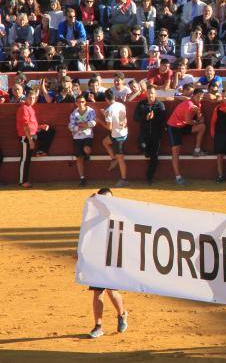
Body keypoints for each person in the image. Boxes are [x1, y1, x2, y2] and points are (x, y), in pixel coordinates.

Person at [87, 188, 129, 339]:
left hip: (112, 258)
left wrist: (96, 201)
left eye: (109, 199)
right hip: (98, 258)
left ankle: (122, 314)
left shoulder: (117, 214)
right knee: (98, 292)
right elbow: (87, 234)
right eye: (104, 198)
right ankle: (98, 326)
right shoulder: (93, 214)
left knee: (112, 292)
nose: (107, 201)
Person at [166, 88, 207, 185]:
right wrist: (197, 121)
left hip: (183, 126)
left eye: (201, 97)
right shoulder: (189, 104)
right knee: (176, 152)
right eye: (198, 97)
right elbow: (189, 121)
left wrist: (198, 114)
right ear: (193, 96)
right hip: (174, 127)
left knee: (202, 127)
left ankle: (197, 150)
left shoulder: (198, 104)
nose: (199, 99)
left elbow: (200, 120)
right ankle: (178, 177)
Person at [16, 89, 56, 187]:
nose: (32, 100)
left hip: (32, 134)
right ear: (26, 97)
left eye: (34, 98)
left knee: (50, 130)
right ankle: (22, 181)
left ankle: (41, 150)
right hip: (26, 136)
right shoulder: (24, 108)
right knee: (25, 159)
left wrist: (41, 127)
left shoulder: (30, 108)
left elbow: (31, 125)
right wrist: (30, 140)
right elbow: (25, 126)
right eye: (30, 98)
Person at [133, 86, 167, 185]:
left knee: (154, 157)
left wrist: (153, 117)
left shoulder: (160, 105)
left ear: (155, 94)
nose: (151, 95)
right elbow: (135, 117)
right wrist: (146, 118)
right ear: (146, 94)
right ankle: (146, 151)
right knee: (142, 147)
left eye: (152, 93)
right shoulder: (141, 104)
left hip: (156, 134)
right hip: (144, 133)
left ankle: (149, 177)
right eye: (149, 93)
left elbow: (163, 118)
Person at [97, 89, 129, 187]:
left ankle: (123, 179)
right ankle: (113, 158)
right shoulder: (121, 105)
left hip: (117, 136)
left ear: (106, 99)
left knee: (120, 158)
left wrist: (100, 120)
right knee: (105, 142)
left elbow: (109, 127)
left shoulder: (109, 110)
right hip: (123, 133)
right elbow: (124, 118)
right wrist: (105, 115)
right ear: (114, 97)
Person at [69, 95, 96, 187]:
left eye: (82, 102)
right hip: (77, 137)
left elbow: (93, 122)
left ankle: (87, 155)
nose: (81, 104)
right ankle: (82, 178)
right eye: (79, 102)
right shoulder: (73, 113)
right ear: (76, 103)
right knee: (79, 158)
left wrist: (83, 125)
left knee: (86, 149)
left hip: (88, 135)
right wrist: (82, 126)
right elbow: (71, 126)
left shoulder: (90, 111)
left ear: (85, 102)